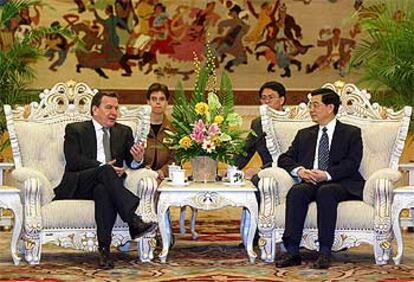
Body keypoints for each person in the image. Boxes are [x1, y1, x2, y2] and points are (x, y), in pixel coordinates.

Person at [53, 91, 157, 269]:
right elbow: (73, 161)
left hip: (107, 185)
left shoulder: (123, 132)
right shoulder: (75, 129)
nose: (114, 112)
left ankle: (104, 251)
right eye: (109, 107)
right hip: (79, 183)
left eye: (116, 108)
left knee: (103, 190)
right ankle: (132, 219)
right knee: (105, 171)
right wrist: (102, 166)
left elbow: (132, 164)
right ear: (95, 110)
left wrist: (138, 159)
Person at [275, 88, 364, 269]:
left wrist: (327, 174)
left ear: (330, 107)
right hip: (311, 180)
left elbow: (352, 163)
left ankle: (324, 252)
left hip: (340, 182)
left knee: (326, 191)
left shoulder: (351, 132)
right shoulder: (304, 134)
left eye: (316, 105)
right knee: (297, 191)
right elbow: (284, 158)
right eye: (310, 105)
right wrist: (300, 171)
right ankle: (292, 251)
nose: (311, 109)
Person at [234, 81, 286, 186]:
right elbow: (246, 150)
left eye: (271, 97)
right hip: (265, 172)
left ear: (281, 100)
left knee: (256, 180)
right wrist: (231, 168)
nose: (266, 101)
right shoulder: (258, 124)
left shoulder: (290, 121)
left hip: (286, 170)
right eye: (263, 98)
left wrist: (261, 169)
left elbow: (289, 155)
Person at [145, 82, 175, 180]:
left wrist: (164, 171)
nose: (158, 103)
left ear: (167, 102)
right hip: (142, 175)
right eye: (154, 99)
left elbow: (175, 158)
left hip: (166, 177)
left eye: (161, 99)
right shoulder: (138, 128)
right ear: (148, 102)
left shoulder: (174, 129)